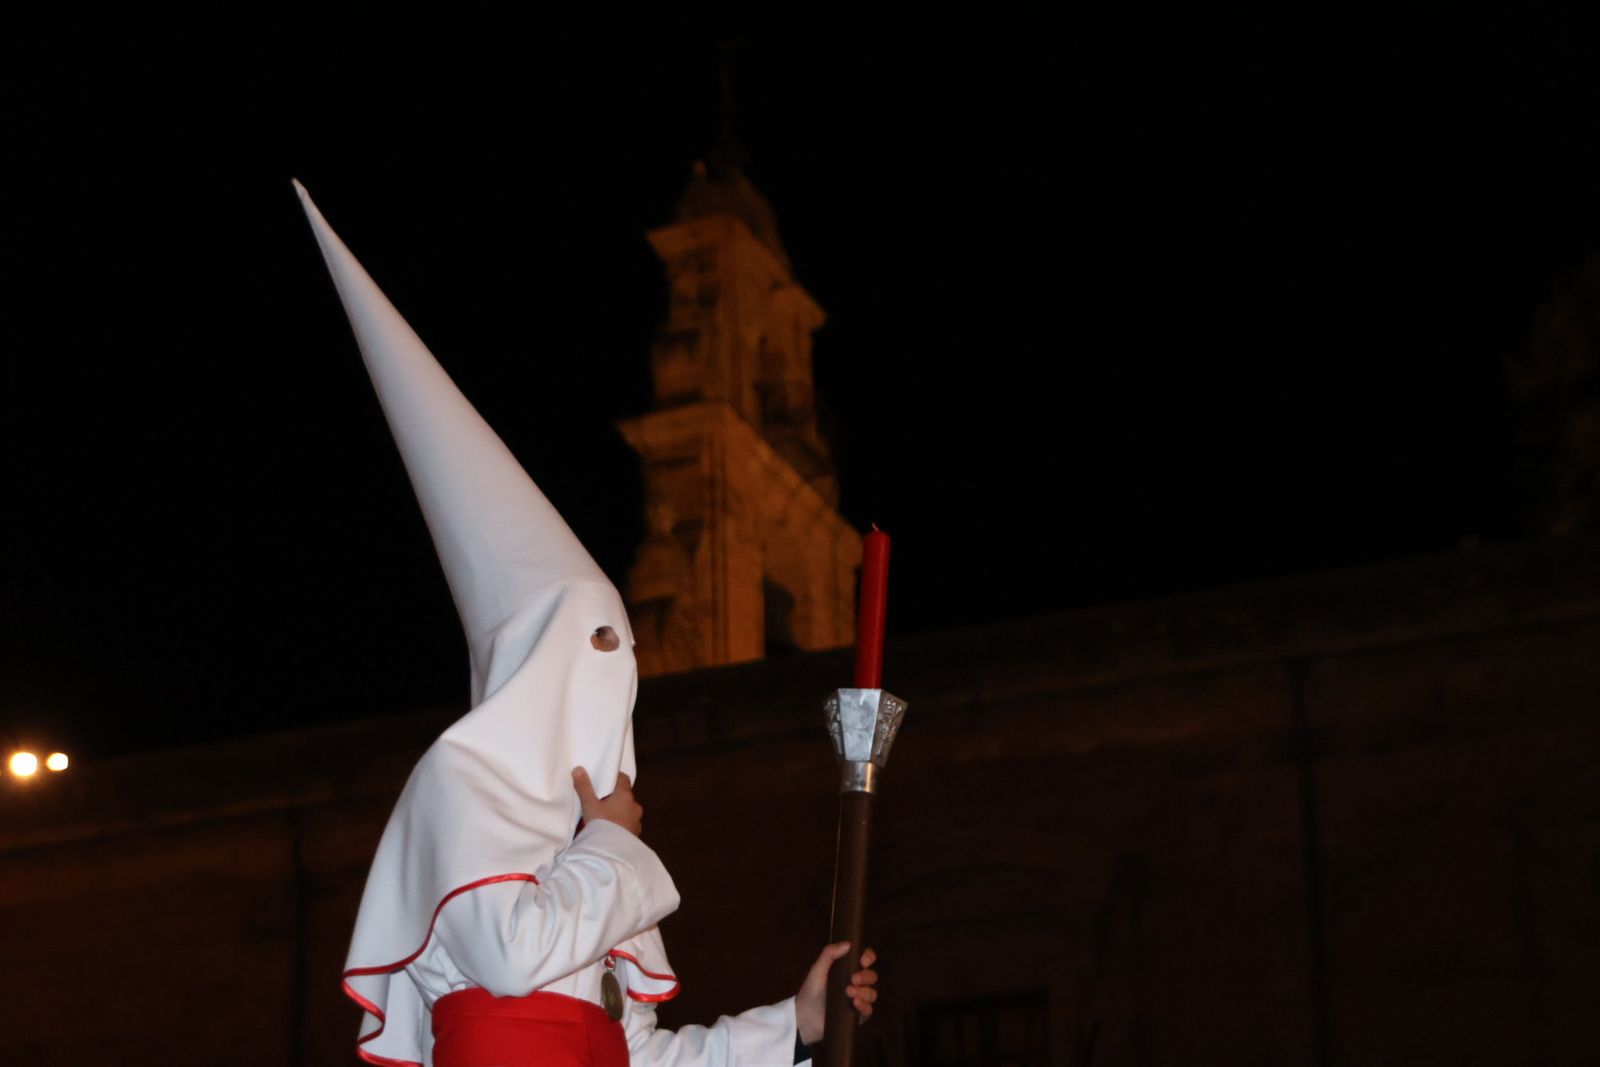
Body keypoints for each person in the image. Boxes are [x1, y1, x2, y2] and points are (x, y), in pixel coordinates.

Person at [295, 181, 876, 1067]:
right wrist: (608, 838)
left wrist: (794, 1022)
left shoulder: (594, 844)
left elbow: (640, 1057)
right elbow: (509, 952)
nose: (616, 680)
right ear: (539, 663)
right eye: (596, 645)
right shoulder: (463, 784)